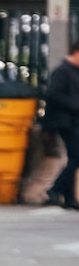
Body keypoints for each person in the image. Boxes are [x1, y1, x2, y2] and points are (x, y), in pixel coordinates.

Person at [42, 43, 79, 209]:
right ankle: (55, 189)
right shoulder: (62, 71)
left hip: (72, 120)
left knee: (73, 157)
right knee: (77, 156)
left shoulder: (73, 71)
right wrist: (74, 105)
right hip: (64, 121)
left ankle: (69, 198)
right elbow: (52, 94)